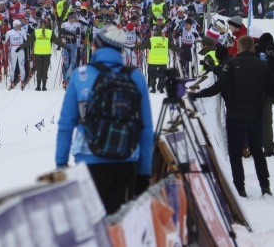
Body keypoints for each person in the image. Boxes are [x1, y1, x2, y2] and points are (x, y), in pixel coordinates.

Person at [55, 26, 154, 214]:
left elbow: (66, 126)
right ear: (120, 49)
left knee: (93, 228)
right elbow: (146, 130)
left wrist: (61, 165)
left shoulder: (81, 75)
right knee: (119, 231)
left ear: (95, 45)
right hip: (126, 161)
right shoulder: (136, 77)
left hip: (88, 159)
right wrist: (144, 173)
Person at [190, 36, 274, 197]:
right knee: (257, 150)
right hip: (256, 114)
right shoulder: (262, 66)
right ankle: (265, 186)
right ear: (252, 48)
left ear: (240, 48)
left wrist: (198, 94)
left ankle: (240, 188)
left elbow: (219, 86)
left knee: (235, 153)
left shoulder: (232, 64)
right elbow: (272, 89)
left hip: (235, 114)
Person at [16, 19, 65, 91]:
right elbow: (57, 42)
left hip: (38, 53)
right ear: (47, 25)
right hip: (47, 53)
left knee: (39, 69)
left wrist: (20, 47)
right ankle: (44, 86)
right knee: (45, 70)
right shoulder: (50, 32)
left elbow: (28, 41)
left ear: (39, 25)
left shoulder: (36, 32)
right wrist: (66, 47)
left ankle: (38, 86)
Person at [134, 27, 181, 93]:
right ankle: (161, 88)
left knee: (153, 75)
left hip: (153, 61)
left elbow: (143, 46)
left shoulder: (151, 40)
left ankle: (153, 89)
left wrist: (135, 47)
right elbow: (173, 47)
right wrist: (181, 50)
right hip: (163, 61)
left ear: (155, 32)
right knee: (162, 75)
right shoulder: (166, 40)